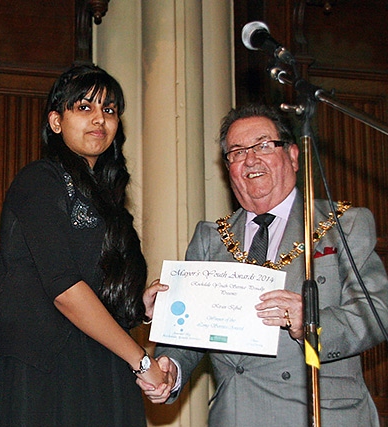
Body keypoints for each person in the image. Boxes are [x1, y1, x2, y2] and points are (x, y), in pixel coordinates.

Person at [140, 103, 388, 426]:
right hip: (236, 415)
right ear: (228, 167)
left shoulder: (343, 225)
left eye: (263, 145)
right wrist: (170, 366)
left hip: (322, 416)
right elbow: (188, 336)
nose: (251, 159)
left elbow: (378, 311)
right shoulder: (210, 239)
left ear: (294, 156)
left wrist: (310, 321)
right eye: (238, 152)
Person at [0, 64, 168, 427]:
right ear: (56, 121)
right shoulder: (40, 179)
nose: (100, 119)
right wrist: (142, 361)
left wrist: (138, 307)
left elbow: (96, 291)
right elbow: (64, 289)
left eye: (109, 110)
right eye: (85, 107)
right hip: (45, 373)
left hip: (101, 365)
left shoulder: (111, 204)